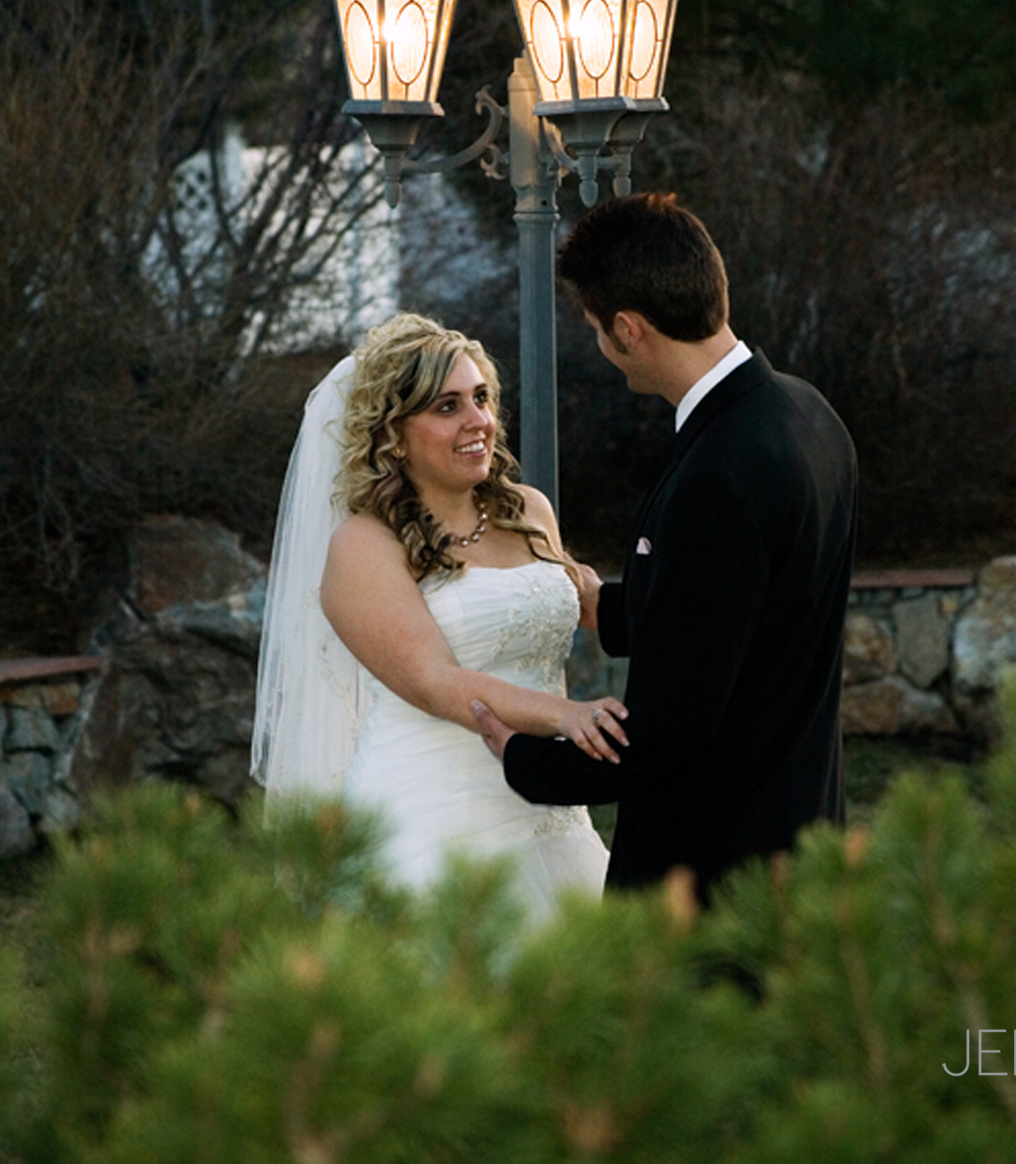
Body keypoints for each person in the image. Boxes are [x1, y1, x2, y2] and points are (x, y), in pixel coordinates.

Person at [472, 193, 858, 905]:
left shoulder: (720, 473)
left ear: (629, 328)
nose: (598, 344)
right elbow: (750, 605)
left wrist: (525, 760)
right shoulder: (807, 413)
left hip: (716, 872)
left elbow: (671, 733)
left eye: (595, 328)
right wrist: (607, 609)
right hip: (805, 834)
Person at [251, 312, 622, 920]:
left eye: (480, 397)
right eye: (447, 407)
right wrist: (567, 716)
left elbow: (559, 631)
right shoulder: (363, 545)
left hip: (543, 804)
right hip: (432, 809)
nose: (478, 421)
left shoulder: (530, 511)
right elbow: (434, 681)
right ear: (393, 434)